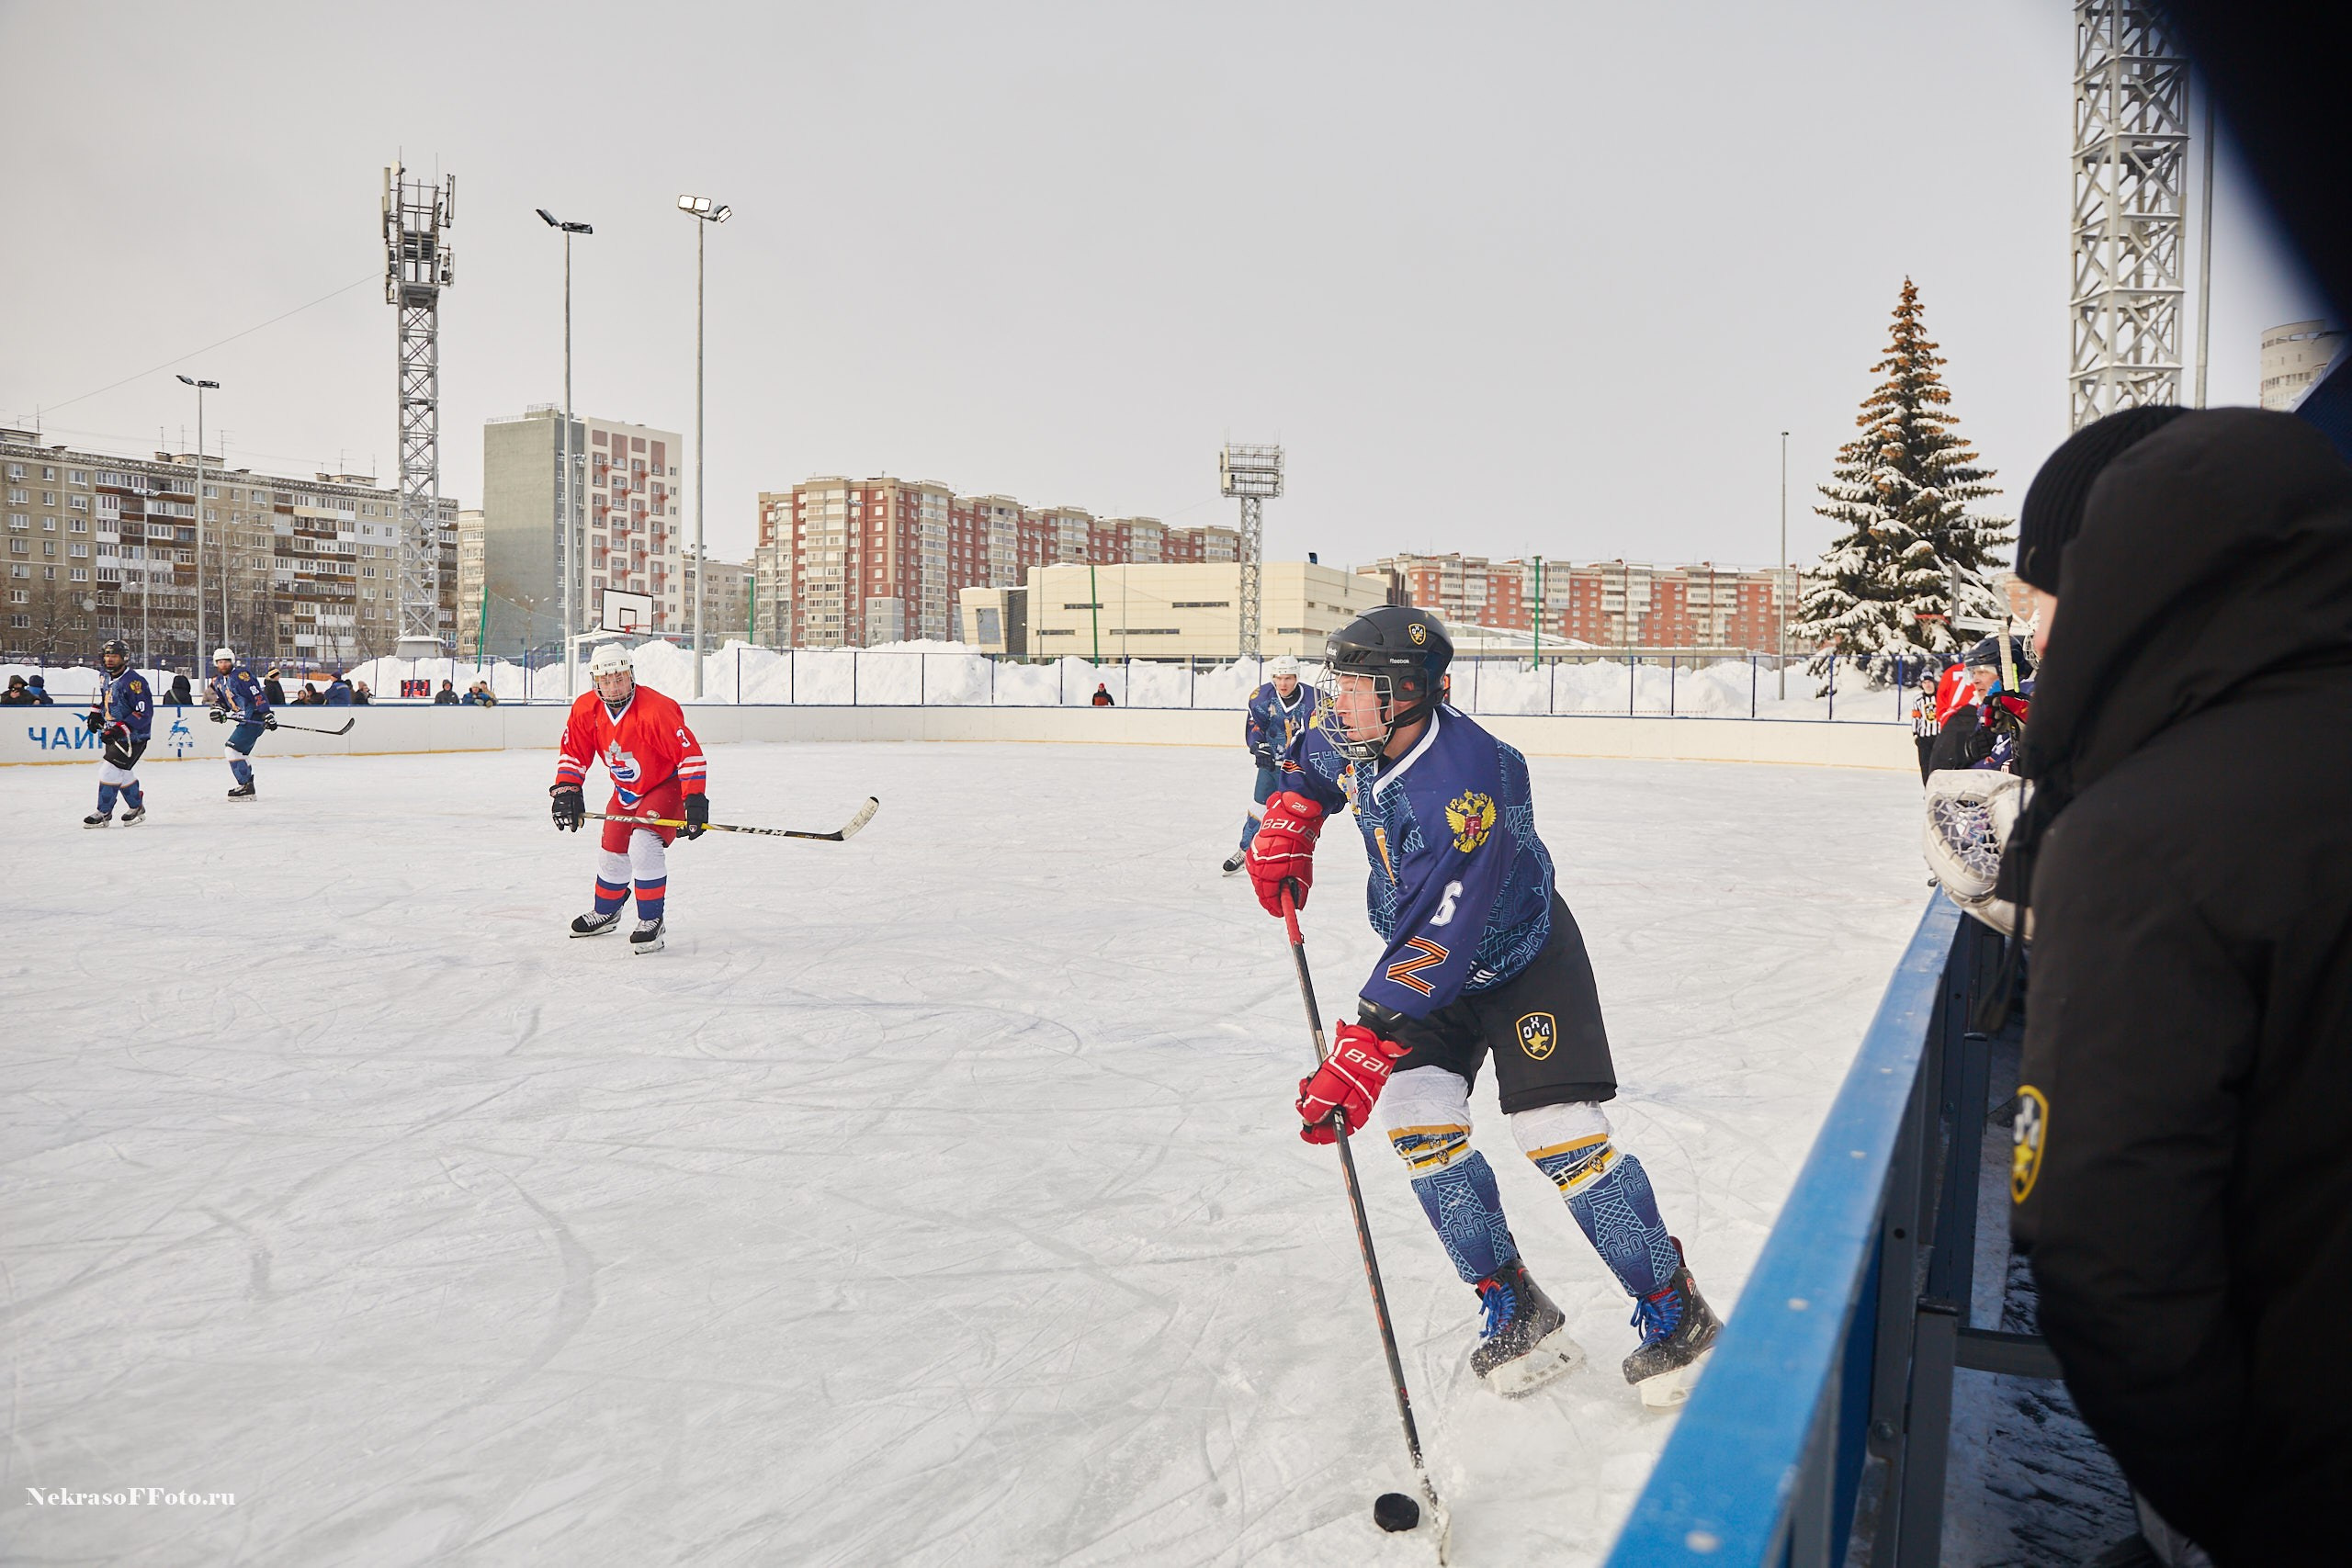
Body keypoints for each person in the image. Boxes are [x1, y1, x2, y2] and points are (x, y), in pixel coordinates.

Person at [2004, 407, 2352, 1563]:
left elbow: (2105, 1257)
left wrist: (2240, 1515)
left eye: (2038, 601)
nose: (2029, 637)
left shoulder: (2145, 838)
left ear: (2119, 578)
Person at [1246, 605, 1720, 1405]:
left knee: (1556, 1133)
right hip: (1427, 964)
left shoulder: (1465, 787)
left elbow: (1444, 931)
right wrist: (1295, 811)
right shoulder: (1357, 729)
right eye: (1341, 683)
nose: (1340, 701)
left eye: (1360, 686)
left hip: (1520, 959)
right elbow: (1314, 761)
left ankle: (1678, 1312)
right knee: (1418, 1120)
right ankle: (1515, 1301)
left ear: (1409, 693)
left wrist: (1365, 1043)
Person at [548, 642, 708, 955]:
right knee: (612, 849)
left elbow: (689, 756)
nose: (613, 686)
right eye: (605, 680)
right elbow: (574, 753)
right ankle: (607, 911)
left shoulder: (656, 709)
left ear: (630, 675)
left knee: (643, 844)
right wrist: (567, 789)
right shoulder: (586, 709)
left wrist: (694, 800)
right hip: (626, 790)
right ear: (596, 682)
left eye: (619, 678)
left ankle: (651, 920)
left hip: (665, 785)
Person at [1224, 655, 1320, 875]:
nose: (1283, 683)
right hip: (1272, 765)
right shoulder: (1262, 697)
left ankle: (1291, 859)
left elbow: (1322, 733)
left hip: (1301, 769)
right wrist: (1259, 747)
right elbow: (1255, 727)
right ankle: (1245, 850)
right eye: (1278, 678)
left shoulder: (1314, 700)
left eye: (1288, 678)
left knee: (1297, 816)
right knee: (1259, 807)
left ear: (1297, 677)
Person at [1926, 638, 2030, 774]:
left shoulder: (2026, 701)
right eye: (1973, 673)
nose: (1975, 680)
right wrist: (1966, 757)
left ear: (2005, 672)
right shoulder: (1983, 712)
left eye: (1982, 672)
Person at [81, 639, 153, 828]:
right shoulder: (104, 676)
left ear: (124, 658)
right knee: (122, 772)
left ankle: (104, 812)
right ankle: (136, 806)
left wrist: (119, 728)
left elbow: (143, 712)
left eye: (114, 656)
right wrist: (96, 713)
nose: (109, 659)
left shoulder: (134, 682)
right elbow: (107, 699)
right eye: (107, 655)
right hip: (114, 734)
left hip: (133, 737)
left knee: (109, 770)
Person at [205, 646, 276, 800]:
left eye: (226, 661)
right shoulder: (219, 682)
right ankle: (247, 786)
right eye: (220, 662)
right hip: (244, 720)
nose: (223, 664)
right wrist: (218, 709)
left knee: (232, 750)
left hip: (254, 717)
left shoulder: (241, 676)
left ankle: (246, 787)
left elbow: (257, 694)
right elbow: (223, 701)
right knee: (240, 753)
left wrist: (266, 713)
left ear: (232, 661)